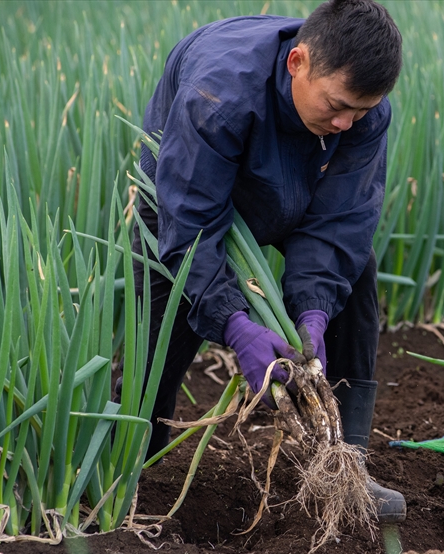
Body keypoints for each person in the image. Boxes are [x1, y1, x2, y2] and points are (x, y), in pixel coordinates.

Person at [132, 0, 406, 522]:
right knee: (164, 318)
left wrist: (314, 310)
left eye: (361, 111)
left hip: (293, 185)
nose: (347, 122)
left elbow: (341, 222)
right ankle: (131, 472)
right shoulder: (218, 96)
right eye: (337, 105)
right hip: (187, 190)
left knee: (356, 273)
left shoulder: (360, 114)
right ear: (297, 62)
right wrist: (236, 326)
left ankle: (346, 464)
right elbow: (190, 223)